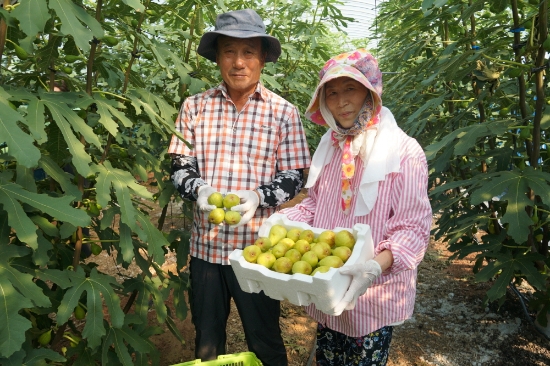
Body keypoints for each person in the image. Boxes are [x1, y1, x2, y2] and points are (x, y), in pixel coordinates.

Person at [167, 9, 311, 366]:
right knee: (207, 339)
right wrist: (198, 190)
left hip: (258, 252)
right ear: (217, 57)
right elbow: (179, 166)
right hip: (206, 249)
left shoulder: (283, 112)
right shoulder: (194, 107)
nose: (239, 62)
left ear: (262, 58)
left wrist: (259, 196)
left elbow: (294, 174)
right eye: (229, 51)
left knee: (265, 339)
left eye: (249, 52)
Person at [278, 49, 432, 365]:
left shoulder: (403, 152)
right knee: (329, 355)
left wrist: (375, 266)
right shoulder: (331, 147)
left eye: (350, 89)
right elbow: (316, 206)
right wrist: (278, 223)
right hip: (328, 283)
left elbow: (413, 227)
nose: (341, 101)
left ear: (371, 92)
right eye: (331, 93)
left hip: (374, 292)